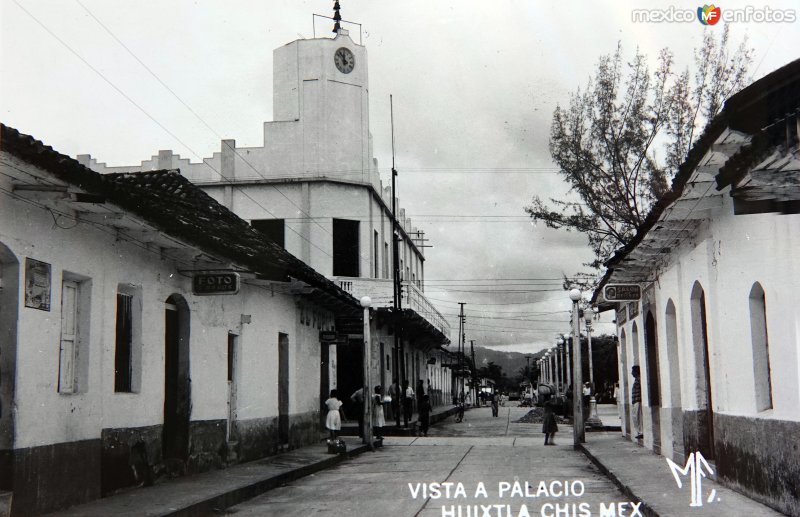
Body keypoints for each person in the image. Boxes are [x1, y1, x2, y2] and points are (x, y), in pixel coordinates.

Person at [631, 365, 643, 440]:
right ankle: (639, 431)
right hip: (635, 400)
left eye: (632, 371)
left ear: (636, 372)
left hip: (638, 400)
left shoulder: (638, 380)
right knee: (635, 417)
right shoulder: (636, 380)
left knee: (637, 417)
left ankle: (640, 432)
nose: (631, 373)